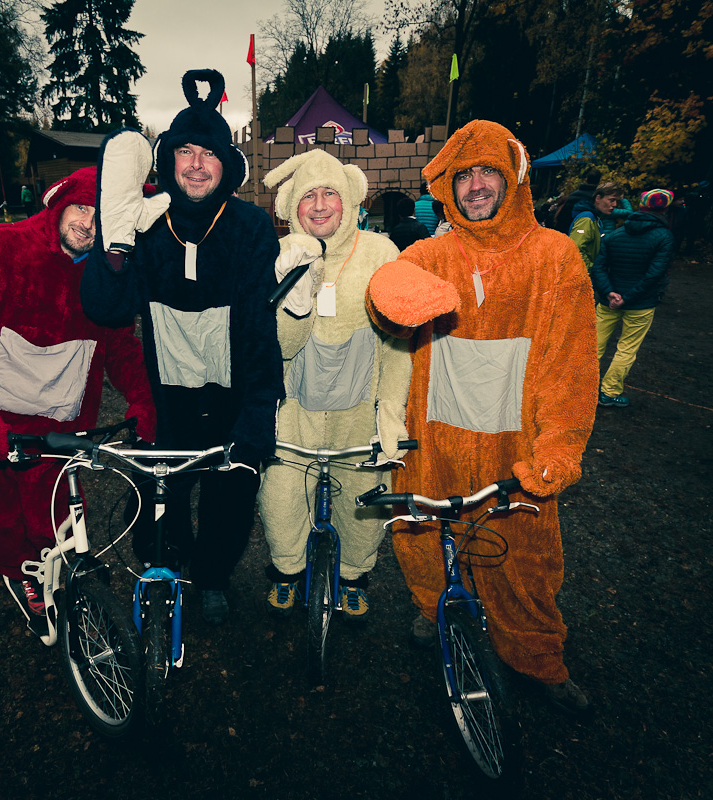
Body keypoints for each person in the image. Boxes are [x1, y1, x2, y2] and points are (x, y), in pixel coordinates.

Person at [366, 120, 598, 716]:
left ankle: (538, 657)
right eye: (464, 175)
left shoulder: (555, 258)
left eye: (487, 172)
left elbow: (571, 366)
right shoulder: (431, 254)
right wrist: (388, 297)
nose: (475, 186)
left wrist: (560, 446)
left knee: (524, 558)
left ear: (512, 178)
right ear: (448, 185)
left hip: (513, 446)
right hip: (435, 439)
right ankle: (434, 607)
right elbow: (387, 297)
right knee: (423, 535)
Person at [0, 167, 156, 636]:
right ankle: (18, 571)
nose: (88, 223)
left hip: (58, 423)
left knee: (56, 513)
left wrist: (146, 402)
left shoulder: (105, 278)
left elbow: (122, 349)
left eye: (101, 215)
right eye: (81, 208)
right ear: (60, 201)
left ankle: (57, 572)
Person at [80, 69, 282, 625]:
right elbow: (107, 309)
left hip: (230, 395)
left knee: (229, 499)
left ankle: (213, 576)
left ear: (226, 164)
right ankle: (168, 566)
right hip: (167, 399)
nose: (196, 164)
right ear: (167, 160)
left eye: (208, 153)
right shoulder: (147, 222)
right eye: (185, 152)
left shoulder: (249, 227)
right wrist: (115, 248)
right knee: (157, 501)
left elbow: (260, 327)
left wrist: (259, 408)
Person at [258, 149, 412, 620]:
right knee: (281, 496)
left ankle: (353, 576)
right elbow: (276, 347)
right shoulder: (278, 255)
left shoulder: (381, 253)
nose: (320, 205)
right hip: (294, 409)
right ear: (292, 206)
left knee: (366, 497)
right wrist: (296, 298)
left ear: (350, 198)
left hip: (358, 408)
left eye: (331, 193)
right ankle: (286, 570)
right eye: (309, 196)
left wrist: (390, 412)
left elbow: (397, 343)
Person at [592, 188, 676, 408]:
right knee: (627, 348)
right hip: (640, 303)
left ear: (640, 206)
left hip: (609, 301)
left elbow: (599, 267)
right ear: (665, 210)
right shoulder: (664, 237)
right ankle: (609, 393)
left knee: (593, 344)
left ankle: (577, 386)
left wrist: (608, 292)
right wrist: (627, 298)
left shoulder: (615, 235)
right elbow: (655, 274)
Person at [568, 181, 624, 270]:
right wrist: (593, 270)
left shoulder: (596, 218)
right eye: (612, 200)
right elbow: (575, 249)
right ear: (598, 198)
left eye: (617, 201)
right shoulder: (587, 218)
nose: (615, 205)